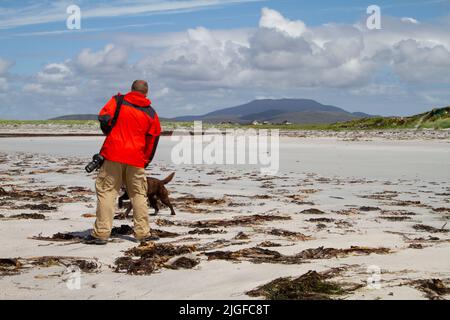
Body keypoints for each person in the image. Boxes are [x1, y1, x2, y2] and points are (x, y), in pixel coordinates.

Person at [85, 80, 161, 245]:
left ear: (131, 89)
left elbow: (104, 117)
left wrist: (110, 133)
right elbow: (153, 139)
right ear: (146, 93)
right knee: (139, 195)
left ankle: (101, 234)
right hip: (136, 159)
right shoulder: (151, 113)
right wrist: (145, 161)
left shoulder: (118, 101)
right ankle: (142, 233)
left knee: (107, 193)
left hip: (113, 154)